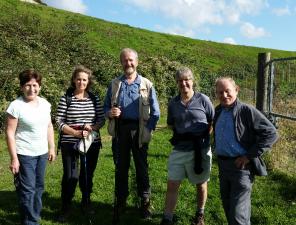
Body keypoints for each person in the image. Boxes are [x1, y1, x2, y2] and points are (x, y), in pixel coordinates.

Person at [104, 48, 160, 223]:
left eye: (131, 60)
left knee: (141, 168)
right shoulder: (114, 84)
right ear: (121, 62)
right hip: (120, 130)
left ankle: (145, 201)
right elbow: (105, 108)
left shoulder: (146, 84)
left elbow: (156, 112)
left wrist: (148, 130)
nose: (128, 63)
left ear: (137, 62)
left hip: (139, 130)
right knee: (121, 167)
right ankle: (121, 201)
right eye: (125, 60)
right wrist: (110, 113)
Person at [213, 77, 278, 225]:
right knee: (229, 208)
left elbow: (271, 133)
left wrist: (248, 156)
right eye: (220, 92)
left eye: (227, 91)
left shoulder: (246, 111)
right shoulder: (218, 111)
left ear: (236, 90)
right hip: (223, 167)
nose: (224, 95)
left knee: (238, 216)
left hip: (241, 168)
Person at [160, 67, 214, 225]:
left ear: (192, 81)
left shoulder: (203, 99)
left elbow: (212, 121)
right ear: (177, 83)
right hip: (180, 149)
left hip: (200, 149)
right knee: (172, 183)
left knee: (201, 183)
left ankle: (200, 214)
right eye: (180, 81)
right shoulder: (173, 103)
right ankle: (168, 218)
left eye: (187, 80)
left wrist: (202, 138)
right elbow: (171, 125)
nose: (184, 83)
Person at [5, 69, 56, 225]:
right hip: (24, 154)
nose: (31, 89)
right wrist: (14, 159)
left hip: (41, 153)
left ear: (39, 87)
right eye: (27, 85)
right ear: (21, 87)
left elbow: (49, 126)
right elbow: (10, 133)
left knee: (38, 187)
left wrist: (52, 148)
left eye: (35, 85)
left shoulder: (45, 104)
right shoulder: (16, 106)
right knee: (27, 190)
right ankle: (31, 221)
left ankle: (30, 217)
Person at [56, 65, 105, 221]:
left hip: (91, 141)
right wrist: (75, 132)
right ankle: (66, 206)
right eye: (78, 79)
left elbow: (101, 119)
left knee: (87, 174)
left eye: (84, 79)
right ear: (73, 80)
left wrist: (92, 128)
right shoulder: (66, 98)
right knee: (70, 175)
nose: (81, 82)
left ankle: (86, 203)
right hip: (70, 142)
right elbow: (58, 121)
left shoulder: (94, 98)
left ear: (88, 81)